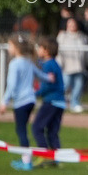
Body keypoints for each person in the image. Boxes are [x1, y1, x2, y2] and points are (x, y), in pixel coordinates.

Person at [0, 37, 44, 171]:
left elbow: (11, 85)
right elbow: (40, 75)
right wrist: (49, 78)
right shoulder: (28, 62)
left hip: (21, 102)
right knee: (23, 129)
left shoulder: (14, 64)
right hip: (31, 100)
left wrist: (4, 102)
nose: (8, 48)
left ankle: (26, 163)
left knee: (21, 131)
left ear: (16, 48)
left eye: (9, 45)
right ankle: (25, 160)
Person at [33, 37, 66, 166]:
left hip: (51, 102)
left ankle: (43, 155)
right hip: (60, 102)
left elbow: (48, 84)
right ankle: (57, 158)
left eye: (39, 48)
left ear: (46, 50)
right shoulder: (52, 63)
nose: (38, 50)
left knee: (37, 127)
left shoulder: (49, 65)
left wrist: (35, 93)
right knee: (52, 131)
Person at [57, 17, 88, 113]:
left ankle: (75, 103)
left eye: (73, 24)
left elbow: (87, 53)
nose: (72, 26)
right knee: (65, 85)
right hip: (67, 67)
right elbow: (59, 52)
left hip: (79, 67)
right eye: (70, 24)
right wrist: (59, 64)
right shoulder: (62, 36)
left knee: (78, 86)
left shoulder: (82, 37)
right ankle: (58, 101)